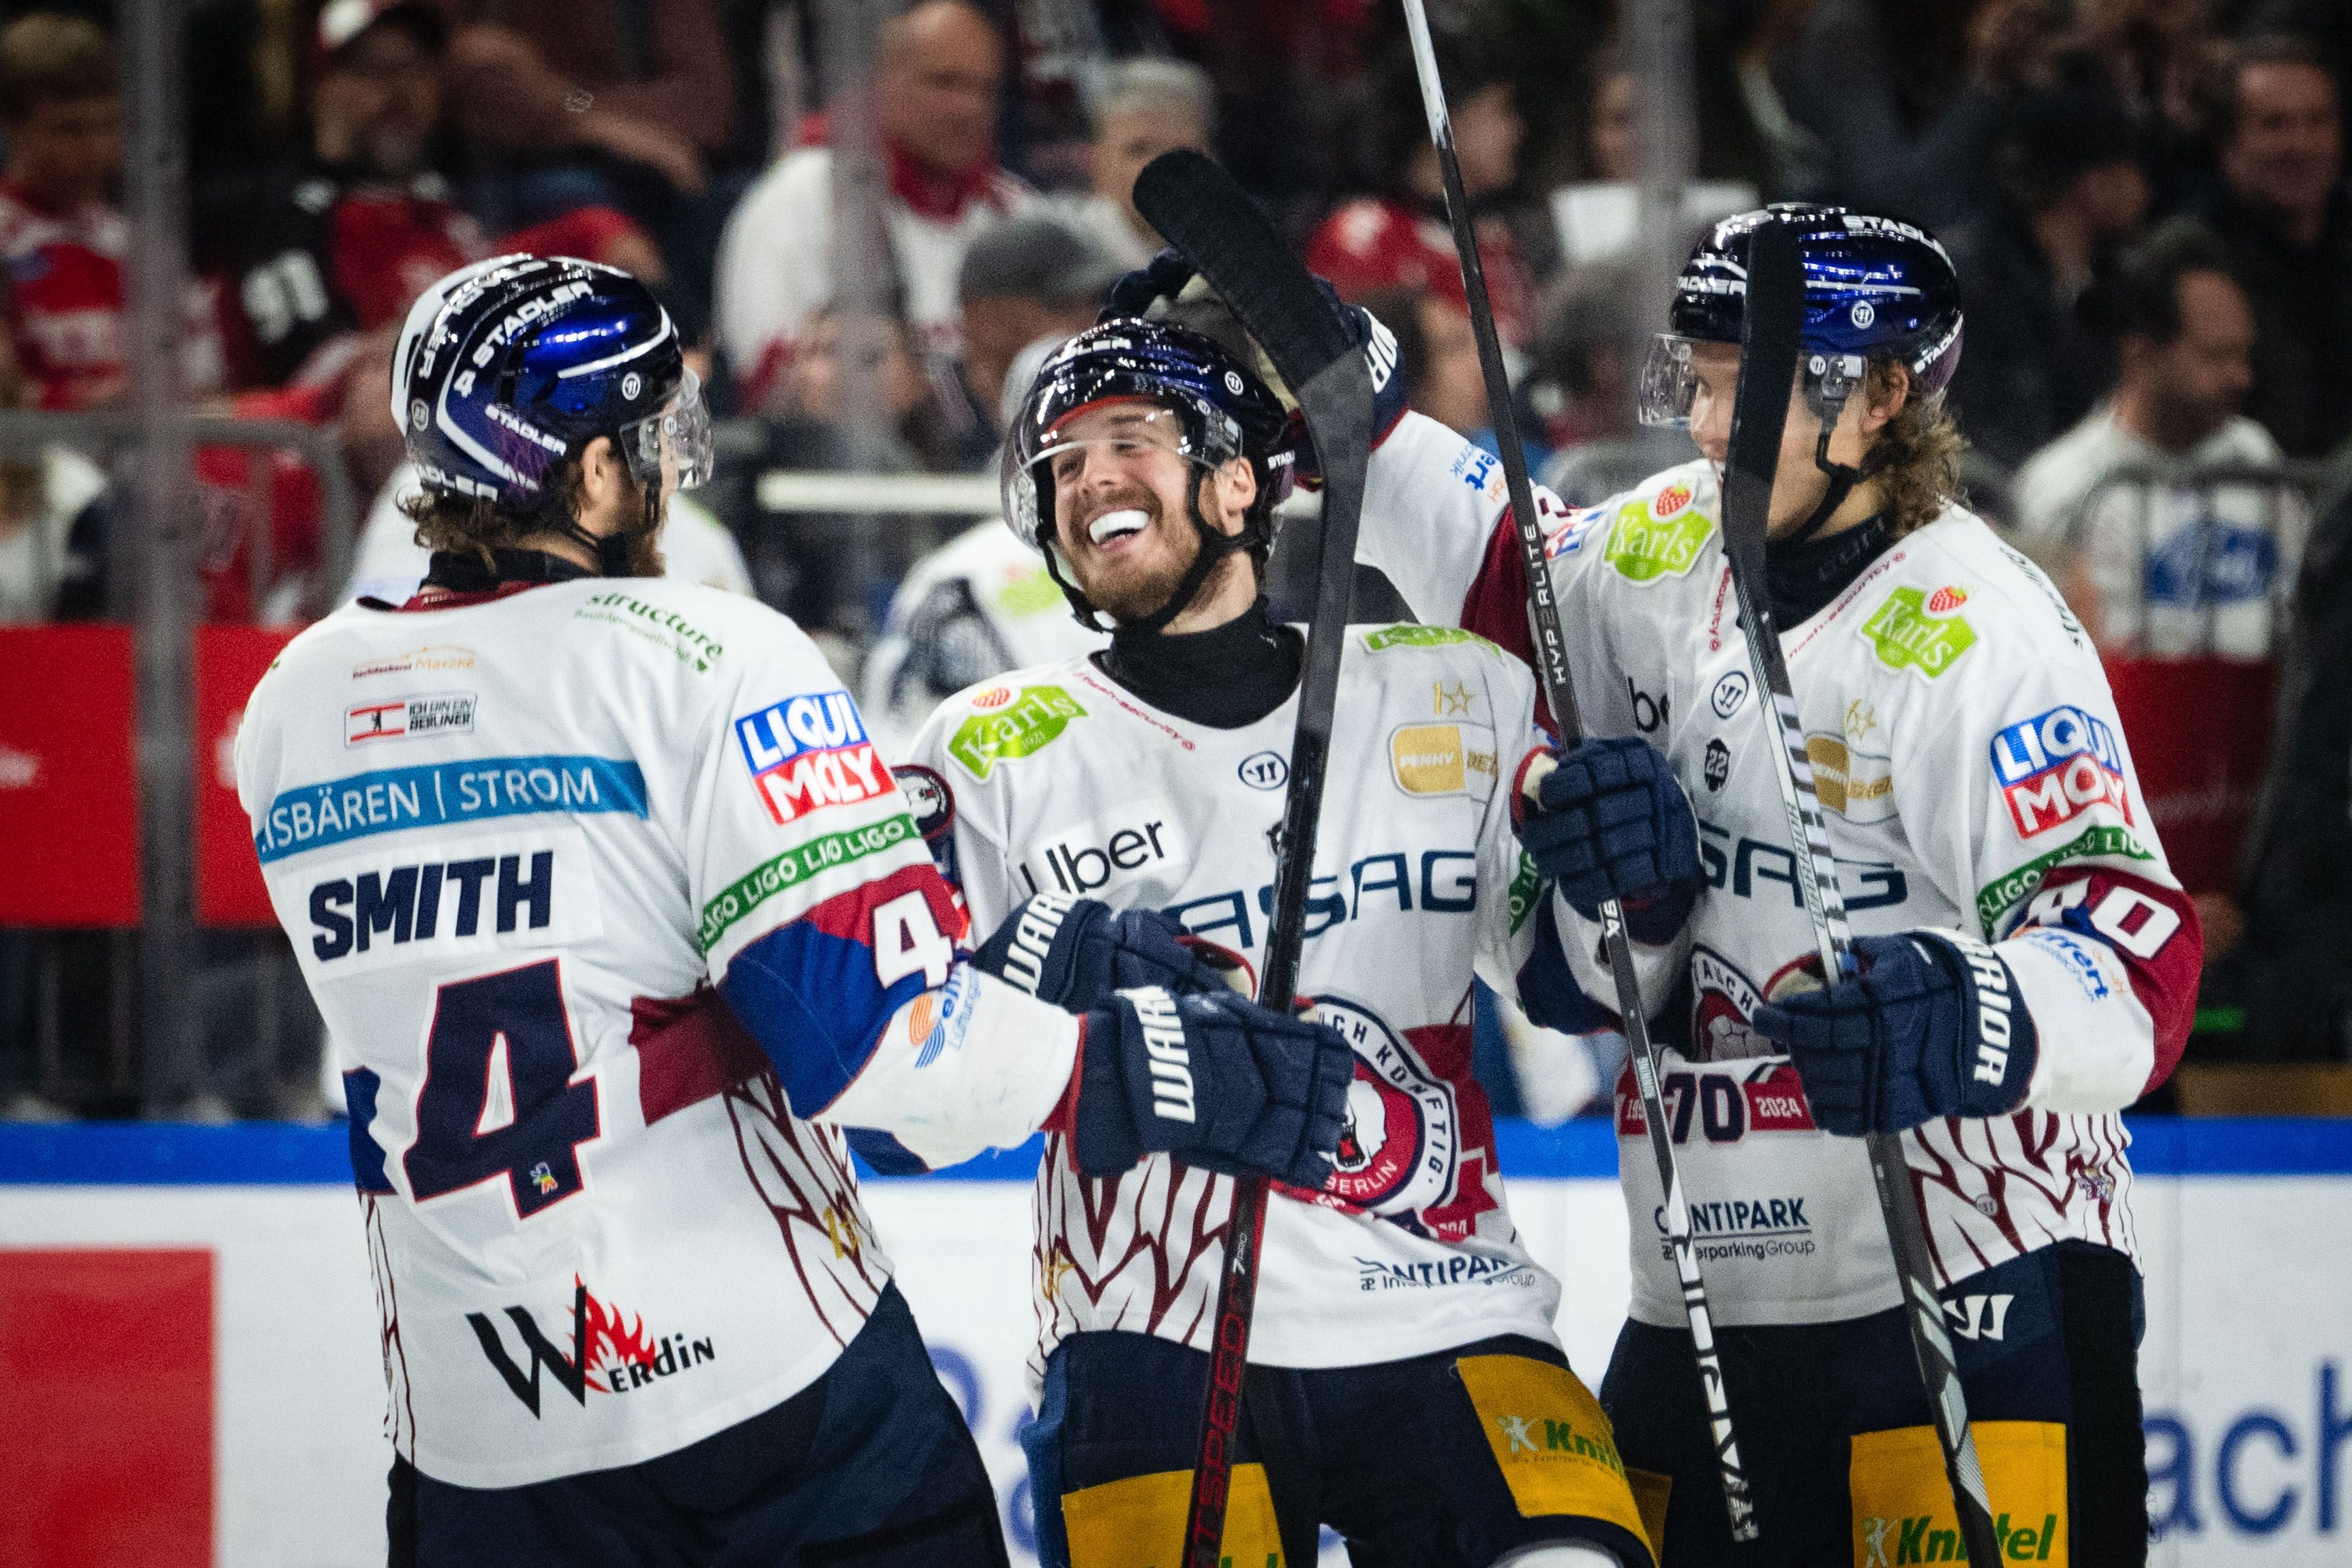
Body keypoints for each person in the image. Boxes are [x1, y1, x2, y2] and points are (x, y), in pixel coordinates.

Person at [235, 254, 1350, 1565]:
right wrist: (1148, 1068)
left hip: (480, 1444)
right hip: (768, 1404)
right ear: (594, 471)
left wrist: (1010, 952)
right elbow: (882, 1051)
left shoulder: (295, 706)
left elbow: (577, 946)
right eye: (653, 435)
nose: (666, 473)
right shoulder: (705, 655)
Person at [1350, 206, 2199, 1565]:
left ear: (1876, 401)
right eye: (1700, 377)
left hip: (1974, 1280)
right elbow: (1514, 570)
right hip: (1702, 1297)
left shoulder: (1981, 634)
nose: (1702, 425)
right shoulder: (1669, 538)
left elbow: (2135, 951)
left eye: (1749, 391)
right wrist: (1365, 412)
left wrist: (1969, 1013)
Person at [900, 314, 1653, 1568]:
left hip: (1447, 1306)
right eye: (1062, 461)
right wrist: (1030, 966)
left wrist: (1631, 875)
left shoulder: (1448, 687)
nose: (1089, 480)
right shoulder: (985, 749)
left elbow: (1575, 990)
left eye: (1128, 441)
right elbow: (894, 1095)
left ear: (1243, 477)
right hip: (1152, 1335)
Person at [196, 0, 657, 392]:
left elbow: (504, 274)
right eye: (375, 71)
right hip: (336, 465)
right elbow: (313, 367)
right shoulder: (286, 211)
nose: (399, 88)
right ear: (325, 89)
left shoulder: (441, 206)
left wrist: (596, 233)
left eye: (415, 68)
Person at [717, 0, 1027, 412]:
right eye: (944, 83)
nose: (968, 107)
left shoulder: (1016, 209)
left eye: (984, 88)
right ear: (879, 82)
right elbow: (768, 385)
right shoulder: (802, 192)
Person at [2013, 220, 2300, 659]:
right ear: (2140, 358)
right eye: (2215, 356)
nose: (2242, 377)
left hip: (2257, 717)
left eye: (2244, 353)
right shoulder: (2064, 485)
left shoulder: (2257, 455)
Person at [0, 12, 219, 409]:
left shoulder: (145, 248)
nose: (98, 150)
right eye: (70, 130)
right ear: (12, 128)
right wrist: (97, 407)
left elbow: (203, 387)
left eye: (109, 126)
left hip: (157, 465)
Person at [1946, 62, 2151, 471]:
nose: (2147, 188)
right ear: (2093, 183)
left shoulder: (2115, 284)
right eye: (2134, 169)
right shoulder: (1972, 282)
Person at [1307, 30, 1537, 355]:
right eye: (1501, 109)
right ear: (1447, 120)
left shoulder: (1499, 242)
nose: (1516, 130)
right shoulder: (1364, 240)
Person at [2197, 35, 2352, 458]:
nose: (2299, 146)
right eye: (2274, 125)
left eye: (2316, 122)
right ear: (2229, 147)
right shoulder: (2191, 261)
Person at [1060, 57, 1219, 270]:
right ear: (1096, 161)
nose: (1161, 167)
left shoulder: (1241, 264)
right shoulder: (1057, 258)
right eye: (1139, 150)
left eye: (1182, 151)